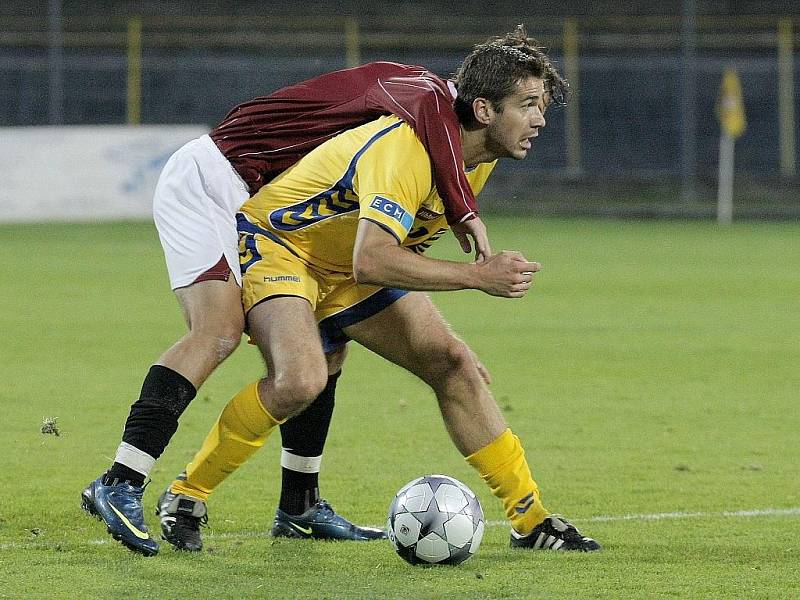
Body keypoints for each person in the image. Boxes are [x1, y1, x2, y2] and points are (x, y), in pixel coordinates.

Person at [155, 26, 601, 554]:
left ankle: (531, 519)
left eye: (541, 105)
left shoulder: (477, 159)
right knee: (300, 380)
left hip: (342, 264)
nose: (540, 120)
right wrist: (478, 277)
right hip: (282, 244)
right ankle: (186, 495)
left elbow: (371, 256)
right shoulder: (407, 151)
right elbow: (374, 259)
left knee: (452, 362)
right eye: (527, 105)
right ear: (483, 109)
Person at [81, 58, 499, 556]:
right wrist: (465, 211)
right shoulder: (425, 92)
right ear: (475, 100)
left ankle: (299, 505)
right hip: (213, 181)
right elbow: (437, 128)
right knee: (217, 332)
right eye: (527, 103)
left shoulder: (419, 103)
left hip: (258, 198)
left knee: (324, 348)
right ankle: (121, 480)